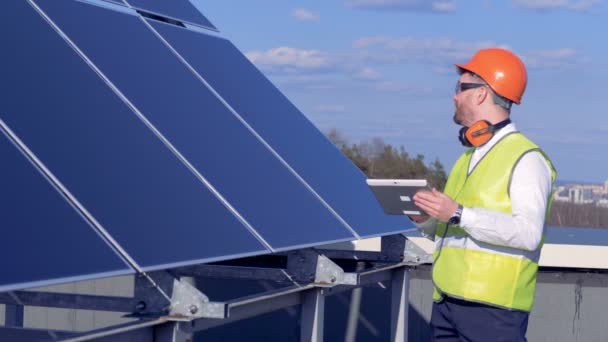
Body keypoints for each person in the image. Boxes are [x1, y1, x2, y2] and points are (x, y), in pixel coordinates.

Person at [412, 48, 556, 341]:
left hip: (494, 312)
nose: (454, 96)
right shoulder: (467, 158)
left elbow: (528, 233)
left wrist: (457, 213)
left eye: (460, 88)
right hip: (447, 303)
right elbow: (454, 228)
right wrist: (426, 219)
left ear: (480, 94)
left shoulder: (526, 158)